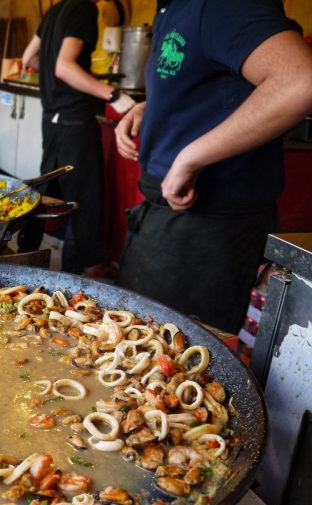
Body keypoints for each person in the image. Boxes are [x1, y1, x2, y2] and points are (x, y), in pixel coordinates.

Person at [114, 0, 312, 332]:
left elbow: (300, 80)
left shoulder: (220, 4)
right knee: (133, 346)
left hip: (207, 234)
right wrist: (151, 107)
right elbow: (212, 84)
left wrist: (193, 155)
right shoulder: (174, 7)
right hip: (166, 223)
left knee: (176, 367)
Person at [20, 0, 134, 274]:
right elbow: (64, 67)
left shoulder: (55, 11)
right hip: (74, 121)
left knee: (44, 192)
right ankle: (79, 272)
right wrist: (114, 95)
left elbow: (29, 59)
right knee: (83, 199)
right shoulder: (84, 9)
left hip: (52, 121)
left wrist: (67, 82)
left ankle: (24, 258)